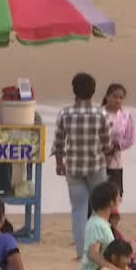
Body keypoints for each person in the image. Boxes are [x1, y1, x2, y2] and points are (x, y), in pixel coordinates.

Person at [53, 72, 111, 258]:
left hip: (73, 167)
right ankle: (99, 248)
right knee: (99, 209)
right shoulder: (100, 114)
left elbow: (59, 142)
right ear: (93, 92)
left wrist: (59, 164)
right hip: (96, 166)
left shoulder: (65, 113)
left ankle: (81, 252)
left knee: (78, 209)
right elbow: (107, 143)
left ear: (74, 90)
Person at [102, 83, 134, 196]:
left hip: (116, 164)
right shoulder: (98, 114)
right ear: (107, 96)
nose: (118, 100)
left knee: (115, 197)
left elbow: (129, 139)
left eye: (121, 98)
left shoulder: (126, 116)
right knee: (97, 198)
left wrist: (117, 145)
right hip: (97, 163)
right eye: (115, 96)